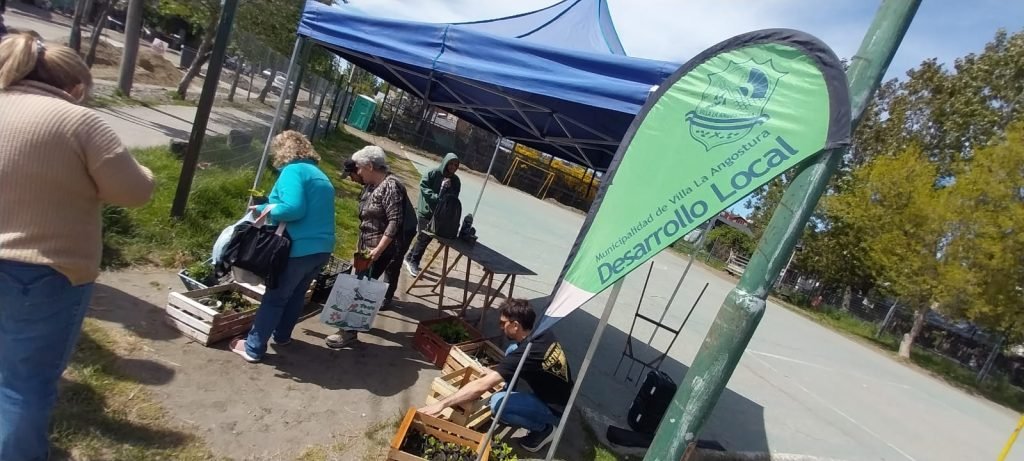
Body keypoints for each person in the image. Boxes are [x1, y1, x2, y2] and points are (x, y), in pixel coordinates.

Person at [0, 33, 155, 461]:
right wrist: (137, 166)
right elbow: (134, 192)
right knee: (23, 384)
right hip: (43, 271)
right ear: (77, 87)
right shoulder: (78, 121)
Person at [230, 130, 336, 363]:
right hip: (322, 248)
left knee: (275, 297)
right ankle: (282, 336)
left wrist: (263, 209)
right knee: (297, 294)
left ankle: (254, 347)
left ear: (283, 150)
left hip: (297, 248)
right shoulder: (320, 175)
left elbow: (293, 209)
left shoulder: (293, 171)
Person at [420, 299, 572, 453]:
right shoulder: (541, 329)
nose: (500, 327)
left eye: (502, 323)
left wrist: (442, 404)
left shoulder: (526, 354)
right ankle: (510, 392)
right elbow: (519, 357)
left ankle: (544, 429)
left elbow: (480, 387)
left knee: (497, 404)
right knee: (512, 348)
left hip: (554, 407)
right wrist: (498, 372)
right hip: (560, 390)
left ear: (515, 326)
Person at [326, 146, 415, 349]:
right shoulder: (372, 185)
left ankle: (348, 333)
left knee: (362, 288)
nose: (357, 173)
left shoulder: (391, 186)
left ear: (370, 165)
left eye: (359, 168)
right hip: (367, 247)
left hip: (378, 250)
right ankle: (351, 325)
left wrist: (379, 250)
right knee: (358, 284)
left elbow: (395, 221)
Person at [404, 153, 461, 276]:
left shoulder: (455, 181)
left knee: (426, 238)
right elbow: (424, 187)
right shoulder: (433, 174)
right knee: (424, 236)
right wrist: (437, 194)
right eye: (451, 163)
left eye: (455, 165)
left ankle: (409, 257)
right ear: (445, 162)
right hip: (426, 211)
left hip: (440, 215)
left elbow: (453, 198)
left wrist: (448, 190)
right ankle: (414, 261)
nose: (452, 167)